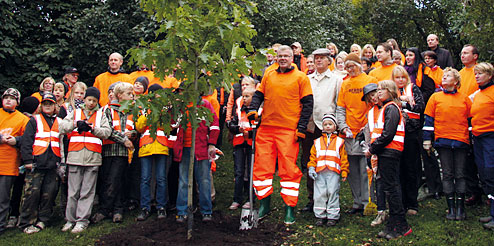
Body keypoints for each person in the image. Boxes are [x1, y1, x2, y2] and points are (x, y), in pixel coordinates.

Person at [248, 45, 313, 224]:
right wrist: (253, 109)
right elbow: (258, 95)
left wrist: (301, 127)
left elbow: (308, 105)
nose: (283, 58)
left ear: (293, 58)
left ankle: (289, 209)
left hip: (288, 131)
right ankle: (264, 204)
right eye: (280, 55)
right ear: (276, 57)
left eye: (286, 56)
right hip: (266, 129)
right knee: (262, 168)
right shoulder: (269, 74)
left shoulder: (301, 77)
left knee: (288, 170)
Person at [58, 87, 111, 233]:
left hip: (93, 158)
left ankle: (82, 220)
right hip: (75, 156)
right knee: (73, 191)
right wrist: (76, 124)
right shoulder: (75, 113)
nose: (91, 103)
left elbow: (107, 132)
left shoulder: (101, 115)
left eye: (94, 101)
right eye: (89, 100)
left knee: (87, 191)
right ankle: (70, 219)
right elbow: (61, 127)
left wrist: (93, 129)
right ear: (84, 100)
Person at [365, 80, 411, 240]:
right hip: (385, 152)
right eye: (377, 90)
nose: (378, 93)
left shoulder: (391, 108)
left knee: (392, 188)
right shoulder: (386, 108)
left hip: (390, 151)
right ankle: (393, 223)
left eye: (381, 90)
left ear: (390, 91)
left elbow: (388, 134)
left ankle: (401, 224)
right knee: (388, 187)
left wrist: (372, 149)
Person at [423, 68, 471, 221]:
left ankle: (461, 208)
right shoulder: (435, 97)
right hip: (443, 141)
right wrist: (427, 140)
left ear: (456, 81)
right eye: (443, 76)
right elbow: (429, 121)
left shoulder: (465, 98)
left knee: (460, 174)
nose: (444, 78)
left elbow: (470, 122)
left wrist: (472, 140)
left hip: (461, 142)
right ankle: (451, 208)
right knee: (448, 174)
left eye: (448, 76)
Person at [301, 48, 342, 212]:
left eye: (322, 58)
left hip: (328, 127)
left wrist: (337, 125)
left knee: (328, 164)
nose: (318, 61)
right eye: (316, 58)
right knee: (310, 162)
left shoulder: (336, 80)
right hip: (310, 126)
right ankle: (312, 199)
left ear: (329, 61)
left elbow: (339, 104)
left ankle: (330, 199)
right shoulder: (307, 79)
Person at [336, 53, 377, 215]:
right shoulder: (345, 84)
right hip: (349, 132)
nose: (349, 69)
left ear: (359, 65)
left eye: (352, 66)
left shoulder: (370, 81)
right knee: (352, 168)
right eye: (347, 67)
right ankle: (356, 201)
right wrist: (343, 126)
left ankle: (368, 202)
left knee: (365, 168)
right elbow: (341, 108)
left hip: (366, 132)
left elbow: (375, 104)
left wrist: (367, 127)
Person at [91, 82, 136, 224]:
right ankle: (108, 209)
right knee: (109, 180)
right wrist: (124, 140)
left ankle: (115, 209)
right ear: (120, 95)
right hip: (109, 150)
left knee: (118, 180)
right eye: (129, 94)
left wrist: (133, 134)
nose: (132, 96)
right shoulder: (107, 110)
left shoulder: (131, 111)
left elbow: (135, 128)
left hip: (124, 153)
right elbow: (108, 130)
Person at [18, 93, 62, 234]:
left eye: (50, 103)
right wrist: (28, 161)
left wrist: (61, 162)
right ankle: (26, 222)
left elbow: (63, 143)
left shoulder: (60, 122)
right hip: (36, 164)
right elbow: (26, 142)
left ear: (56, 106)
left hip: (53, 164)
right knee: (32, 194)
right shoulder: (34, 120)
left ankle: (43, 219)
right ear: (41, 106)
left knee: (49, 194)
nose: (48, 106)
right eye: (45, 103)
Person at [174, 90, 220, 223]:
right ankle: (182, 211)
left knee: (204, 180)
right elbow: (172, 124)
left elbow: (215, 124)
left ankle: (206, 211)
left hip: (200, 148)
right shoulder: (180, 107)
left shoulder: (204, 105)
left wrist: (211, 143)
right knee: (183, 181)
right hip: (184, 148)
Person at [392, 66, 425, 216]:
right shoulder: (390, 91)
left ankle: (412, 203)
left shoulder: (413, 89)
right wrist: (402, 100)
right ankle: (400, 202)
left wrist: (404, 103)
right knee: (397, 169)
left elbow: (419, 107)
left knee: (411, 168)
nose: (400, 80)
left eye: (403, 77)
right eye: (397, 77)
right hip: (395, 134)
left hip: (411, 133)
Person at [135, 90, 171, 221]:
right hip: (146, 147)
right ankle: (145, 207)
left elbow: (168, 126)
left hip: (161, 147)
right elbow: (139, 127)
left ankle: (161, 206)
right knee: (145, 178)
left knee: (161, 178)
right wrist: (147, 114)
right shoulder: (144, 109)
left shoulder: (165, 111)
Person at [307, 114, 348, 226]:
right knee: (319, 193)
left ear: (335, 126)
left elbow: (343, 158)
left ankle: (333, 215)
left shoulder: (340, 141)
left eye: (330, 124)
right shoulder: (317, 142)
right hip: (319, 172)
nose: (328, 127)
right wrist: (311, 167)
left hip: (333, 171)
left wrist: (344, 171)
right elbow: (312, 156)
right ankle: (320, 215)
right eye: (325, 124)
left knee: (332, 192)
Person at [0, 88, 29, 235]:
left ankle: (1, 225)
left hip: (9, 164)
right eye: (6, 97)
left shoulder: (23, 119)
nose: (8, 100)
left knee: (3, 197)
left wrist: (16, 140)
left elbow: (28, 138)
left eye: (12, 98)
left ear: (17, 102)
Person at [470, 62, 494, 230]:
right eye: (476, 74)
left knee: (491, 171)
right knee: (485, 173)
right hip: (478, 137)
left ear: (489, 75)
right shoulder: (478, 94)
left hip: (490, 137)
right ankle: (492, 212)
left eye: (480, 74)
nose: (476, 76)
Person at [459, 44, 482, 206]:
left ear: (475, 56)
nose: (462, 56)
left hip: (479, 119)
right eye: (461, 53)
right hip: (462, 119)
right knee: (467, 158)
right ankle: (473, 191)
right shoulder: (459, 74)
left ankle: (488, 192)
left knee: (482, 157)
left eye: (466, 53)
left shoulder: (481, 73)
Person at [228, 87, 256, 210]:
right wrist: (235, 128)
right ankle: (236, 198)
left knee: (250, 172)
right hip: (239, 143)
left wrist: (250, 134)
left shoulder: (257, 112)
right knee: (238, 171)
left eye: (247, 96)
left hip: (251, 145)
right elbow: (232, 123)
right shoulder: (239, 110)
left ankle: (251, 198)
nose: (244, 99)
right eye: (243, 96)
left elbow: (259, 128)